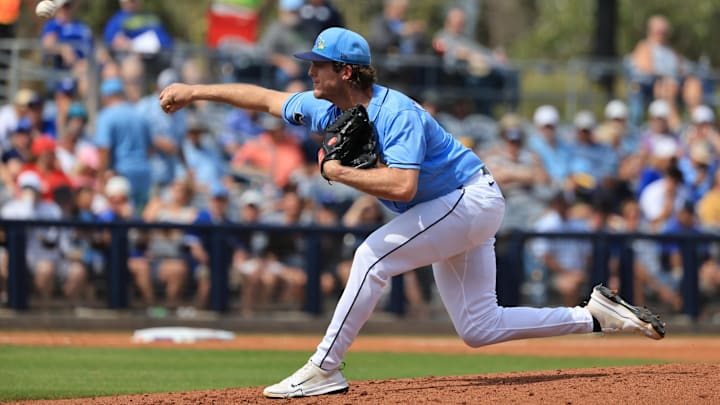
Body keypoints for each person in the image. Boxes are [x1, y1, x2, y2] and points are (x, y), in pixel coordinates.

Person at [159, 26, 665, 399]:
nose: (307, 70)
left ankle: (324, 367)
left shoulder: (395, 112)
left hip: (468, 200)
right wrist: (195, 91)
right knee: (479, 327)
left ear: (346, 72)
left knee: (371, 258)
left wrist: (337, 173)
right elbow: (266, 99)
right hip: (450, 208)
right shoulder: (327, 107)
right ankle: (594, 317)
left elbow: (403, 183)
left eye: (317, 64)